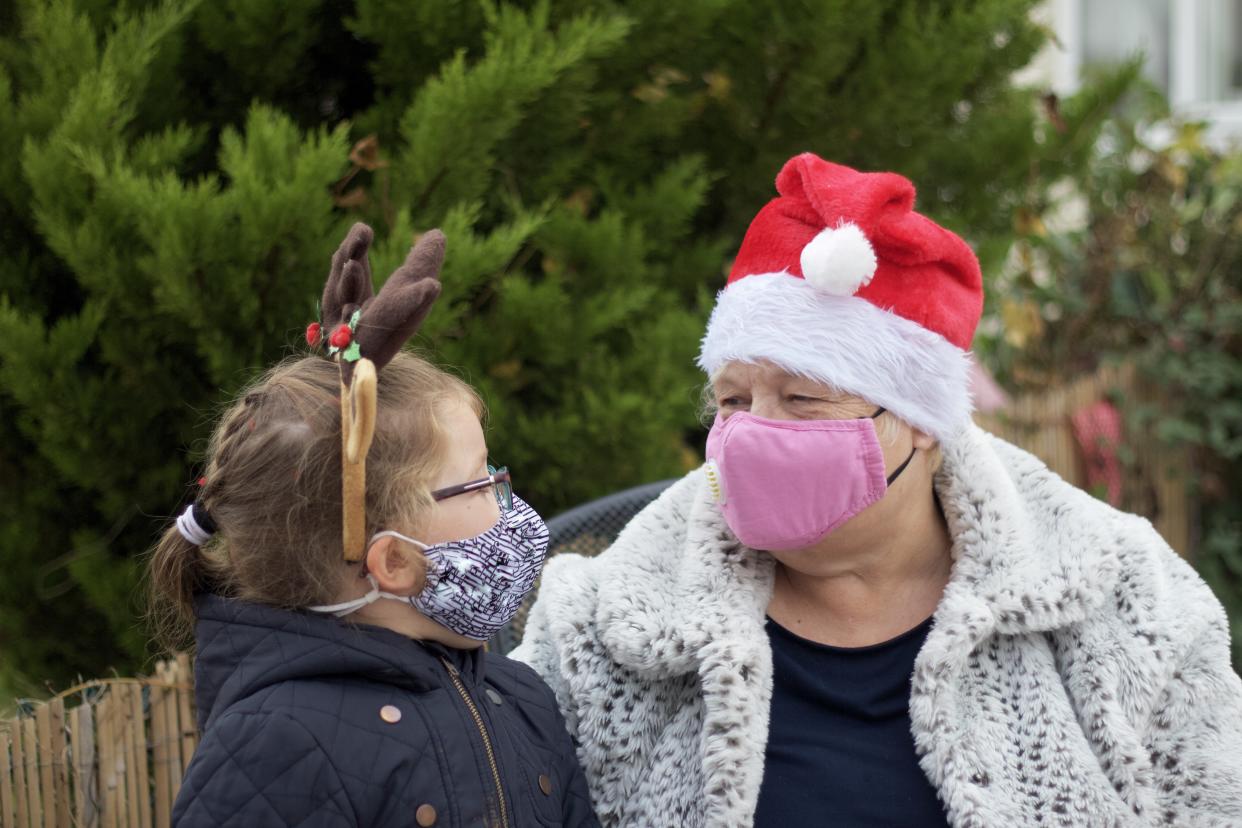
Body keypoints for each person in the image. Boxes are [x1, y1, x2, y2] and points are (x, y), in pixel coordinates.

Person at [513, 153, 1242, 827]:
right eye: (733, 401)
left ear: (921, 422)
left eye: (802, 399)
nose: (754, 433)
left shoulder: (1126, 600)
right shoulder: (595, 627)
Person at [149, 224, 598, 828]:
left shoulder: (520, 698)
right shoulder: (274, 749)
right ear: (394, 562)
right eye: (482, 479)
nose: (506, 496)